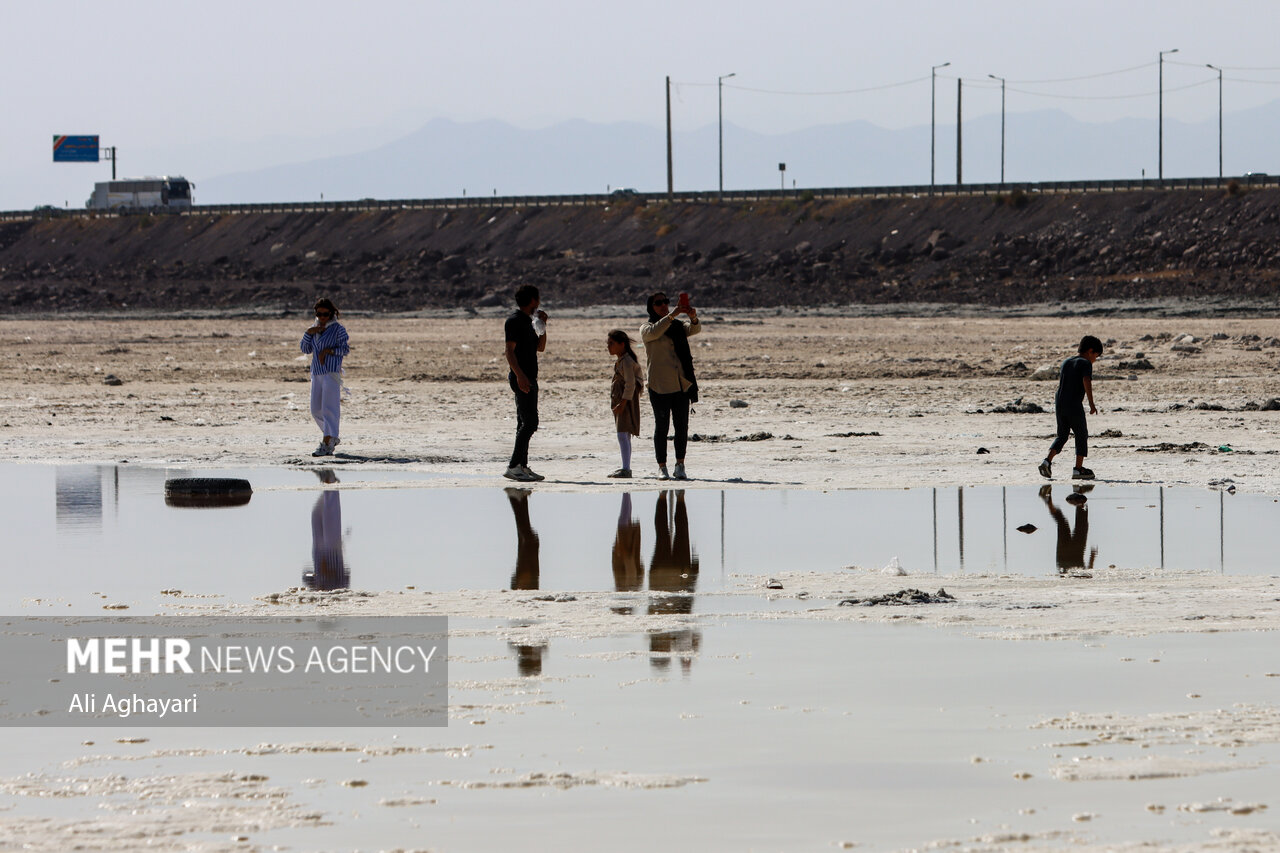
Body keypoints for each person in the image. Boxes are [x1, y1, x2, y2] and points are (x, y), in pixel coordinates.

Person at [641, 291, 702, 480]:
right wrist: (673, 314)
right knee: (662, 427)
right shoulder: (647, 328)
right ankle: (662, 467)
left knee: (681, 427)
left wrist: (693, 317)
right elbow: (655, 332)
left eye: (665, 302)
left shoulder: (676, 325)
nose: (663, 305)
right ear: (651, 307)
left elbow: (694, 329)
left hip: (680, 383)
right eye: (658, 303)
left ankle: (680, 465)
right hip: (659, 385)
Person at [1039, 334, 1103, 480]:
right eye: (1096, 356)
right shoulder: (1085, 363)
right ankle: (1078, 469)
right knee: (1081, 434)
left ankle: (1046, 461)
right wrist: (1091, 403)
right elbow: (1086, 380)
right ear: (1090, 351)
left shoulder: (1066, 362)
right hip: (1073, 403)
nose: (1095, 360)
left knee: (1062, 435)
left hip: (1060, 402)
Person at [504, 285, 548, 482]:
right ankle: (514, 466)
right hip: (522, 377)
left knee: (523, 422)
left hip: (530, 376)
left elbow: (540, 347)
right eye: (537, 299)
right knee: (531, 422)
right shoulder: (514, 321)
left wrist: (543, 326)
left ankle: (522, 466)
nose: (539, 303)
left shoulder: (530, 322)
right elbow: (509, 351)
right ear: (532, 300)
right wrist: (520, 376)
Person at [300, 297, 349, 457]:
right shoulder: (314, 328)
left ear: (331, 314)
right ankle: (331, 436)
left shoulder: (338, 329)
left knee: (329, 408)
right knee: (315, 409)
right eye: (319, 314)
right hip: (316, 372)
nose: (322, 318)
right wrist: (308, 333)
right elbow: (305, 349)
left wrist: (328, 351)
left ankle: (327, 442)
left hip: (330, 372)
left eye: (325, 314)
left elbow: (345, 349)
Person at [606, 329, 644, 478]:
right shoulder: (623, 360)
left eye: (611, 343)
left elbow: (630, 384)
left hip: (626, 401)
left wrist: (622, 404)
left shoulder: (627, 362)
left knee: (622, 433)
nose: (608, 347)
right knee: (624, 434)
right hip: (623, 399)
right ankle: (625, 467)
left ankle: (626, 469)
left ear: (622, 344)